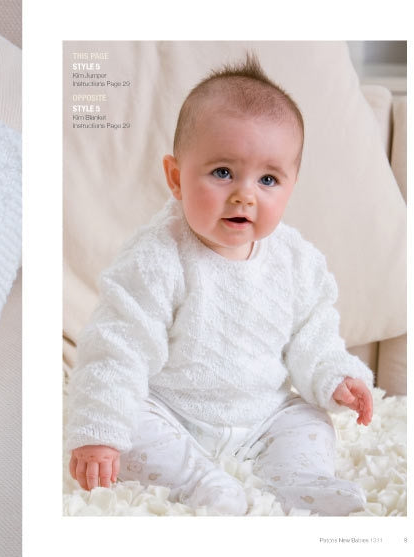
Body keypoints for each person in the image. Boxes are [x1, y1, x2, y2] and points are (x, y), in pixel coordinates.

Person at [65, 54, 374, 516]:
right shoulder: (157, 255)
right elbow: (118, 345)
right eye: (223, 172)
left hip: (264, 416)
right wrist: (100, 432)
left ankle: (299, 481)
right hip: (173, 414)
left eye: (268, 179)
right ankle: (200, 483)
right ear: (176, 178)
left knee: (311, 419)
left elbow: (314, 334)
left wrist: (336, 376)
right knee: (125, 423)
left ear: (291, 187)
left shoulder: (296, 260)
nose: (244, 194)